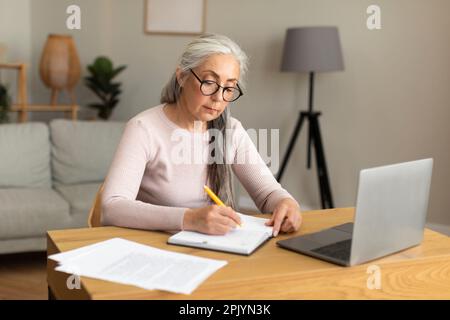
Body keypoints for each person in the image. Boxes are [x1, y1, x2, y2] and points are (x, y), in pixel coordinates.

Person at [101, 34, 302, 237]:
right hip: (157, 247)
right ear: (182, 76)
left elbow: (267, 193)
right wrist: (189, 219)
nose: (217, 98)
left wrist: (286, 203)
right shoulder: (143, 129)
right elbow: (112, 208)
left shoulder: (231, 131)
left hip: (212, 247)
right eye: (209, 82)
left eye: (229, 88)